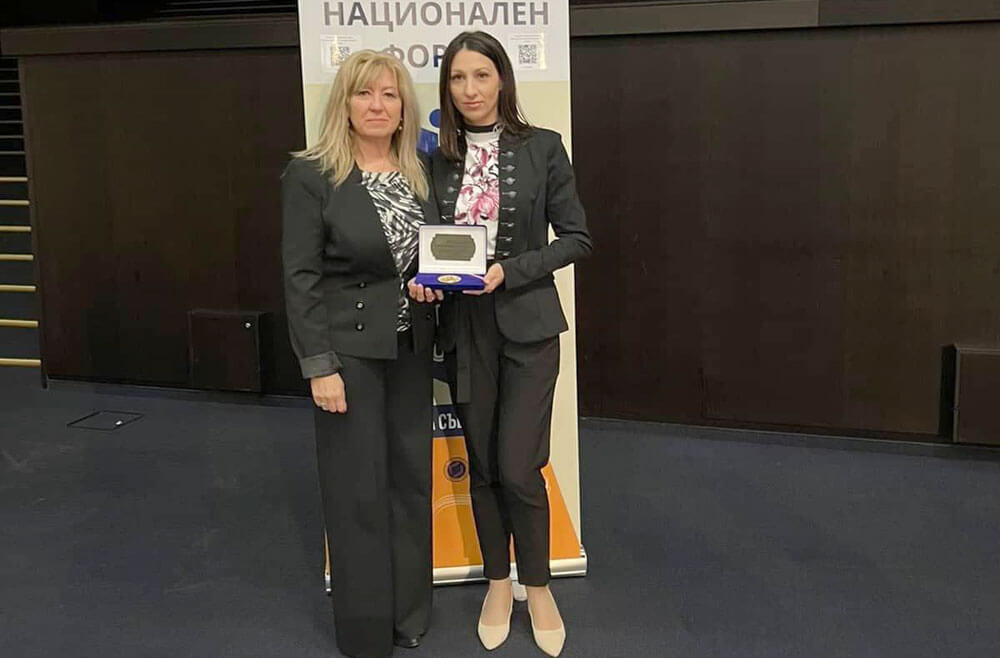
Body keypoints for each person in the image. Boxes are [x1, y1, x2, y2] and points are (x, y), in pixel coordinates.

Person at [409, 30, 592, 657]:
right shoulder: (433, 160)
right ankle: (496, 583)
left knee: (518, 466)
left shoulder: (543, 147)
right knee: (484, 466)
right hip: (464, 329)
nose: (470, 90)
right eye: (458, 79)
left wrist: (510, 271)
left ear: (502, 80)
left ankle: (536, 587)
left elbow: (577, 238)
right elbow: (426, 245)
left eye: (481, 76)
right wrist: (424, 283)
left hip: (529, 325)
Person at [281, 50, 439, 658]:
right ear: (344, 104)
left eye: (389, 95)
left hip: (411, 349)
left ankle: (410, 614)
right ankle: (366, 630)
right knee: (357, 492)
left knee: (410, 482)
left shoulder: (420, 172)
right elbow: (300, 277)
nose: (377, 105)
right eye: (364, 93)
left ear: (404, 109)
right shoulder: (311, 174)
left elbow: (427, 257)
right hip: (347, 358)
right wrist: (318, 365)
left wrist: (431, 283)